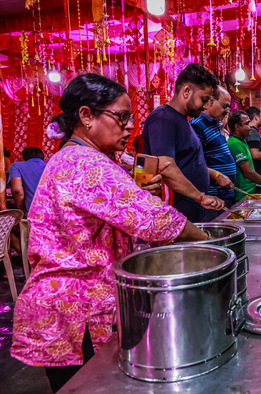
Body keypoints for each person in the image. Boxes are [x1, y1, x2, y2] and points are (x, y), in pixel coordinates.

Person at [10, 73, 213, 392]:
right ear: (86, 116)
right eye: (121, 117)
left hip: (74, 305)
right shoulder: (83, 163)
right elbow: (154, 218)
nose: (130, 126)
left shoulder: (85, 157)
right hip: (75, 311)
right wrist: (213, 246)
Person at [143, 63, 225, 222]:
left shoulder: (183, 120)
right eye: (204, 99)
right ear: (186, 91)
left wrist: (214, 175)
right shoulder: (163, 119)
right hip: (176, 212)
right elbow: (166, 167)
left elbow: (187, 161)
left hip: (190, 209)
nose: (205, 106)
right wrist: (200, 197)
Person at [191, 86, 236, 221]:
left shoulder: (215, 124)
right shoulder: (197, 125)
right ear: (210, 101)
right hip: (211, 198)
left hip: (224, 195)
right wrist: (217, 175)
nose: (227, 111)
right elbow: (193, 164)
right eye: (224, 106)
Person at [8, 147, 46, 214]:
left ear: (24, 158)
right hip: (54, 212)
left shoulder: (16, 166)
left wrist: (20, 209)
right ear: (43, 157)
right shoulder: (52, 165)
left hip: (32, 212)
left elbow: (17, 191)